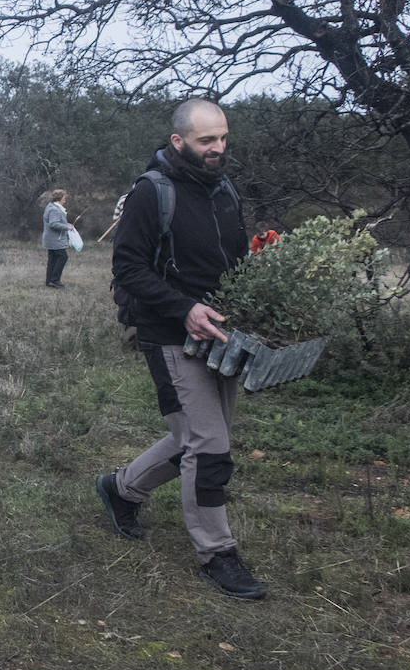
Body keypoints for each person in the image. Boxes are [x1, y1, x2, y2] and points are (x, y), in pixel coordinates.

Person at [98, 99, 261, 599]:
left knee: (198, 437)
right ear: (178, 142)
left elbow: (235, 262)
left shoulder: (225, 190)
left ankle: (120, 488)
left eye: (223, 139)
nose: (217, 149)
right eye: (206, 141)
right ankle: (218, 553)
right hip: (170, 334)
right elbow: (127, 270)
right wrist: (184, 307)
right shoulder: (153, 192)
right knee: (208, 445)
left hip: (223, 335)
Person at [42, 189, 75, 287]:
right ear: (59, 198)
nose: (65, 200)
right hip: (55, 240)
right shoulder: (54, 209)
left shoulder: (51, 207)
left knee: (52, 259)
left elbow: (56, 221)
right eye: (64, 198)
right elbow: (53, 224)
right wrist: (67, 227)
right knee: (63, 257)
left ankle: (49, 281)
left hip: (51, 239)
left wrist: (66, 224)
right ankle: (55, 280)